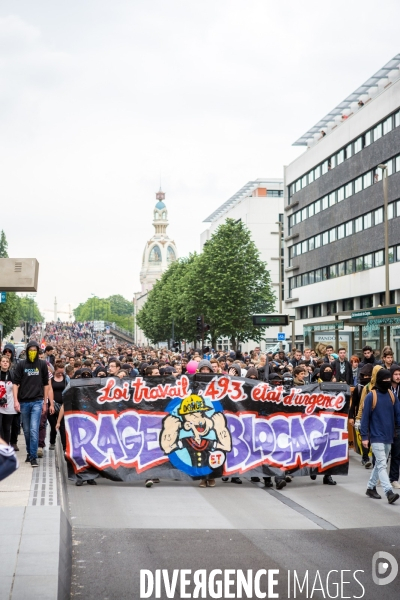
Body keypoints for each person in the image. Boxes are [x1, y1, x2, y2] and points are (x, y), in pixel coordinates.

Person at [361, 369, 400, 504]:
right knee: (383, 464)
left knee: (379, 463)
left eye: (389, 379)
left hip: (389, 435)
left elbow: (398, 415)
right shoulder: (371, 396)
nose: (387, 381)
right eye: (385, 379)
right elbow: (364, 418)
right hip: (376, 436)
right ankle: (388, 492)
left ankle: (370, 487)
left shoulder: (391, 395)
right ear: (378, 380)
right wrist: (364, 437)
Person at [12, 341, 50, 467]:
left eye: (35, 350)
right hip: (24, 402)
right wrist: (16, 401)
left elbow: (46, 384)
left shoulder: (42, 364)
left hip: (37, 401)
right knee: (27, 431)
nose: (32, 352)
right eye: (30, 350)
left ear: (38, 351)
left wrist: (45, 402)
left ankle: (33, 457)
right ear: (27, 351)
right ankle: (29, 452)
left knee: (34, 430)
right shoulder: (21, 364)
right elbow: (15, 384)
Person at [349, 364, 373, 468]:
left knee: (372, 437)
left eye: (368, 376)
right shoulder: (359, 388)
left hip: (373, 415)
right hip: (362, 415)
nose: (366, 378)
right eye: (364, 376)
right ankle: (365, 457)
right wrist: (352, 417)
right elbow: (353, 404)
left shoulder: (375, 386)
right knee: (365, 436)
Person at [0, 355, 18, 445]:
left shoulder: (12, 374)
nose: (5, 363)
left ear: (9, 364)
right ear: (0, 363)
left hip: (9, 406)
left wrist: (16, 402)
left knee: (7, 428)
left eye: (7, 361)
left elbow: (17, 388)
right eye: (3, 361)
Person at [389, 364, 400, 489]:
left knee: (397, 454)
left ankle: (394, 478)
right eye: (396, 374)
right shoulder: (385, 389)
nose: (398, 377)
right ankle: (379, 476)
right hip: (386, 424)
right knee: (383, 454)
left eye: (399, 374)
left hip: (398, 425)